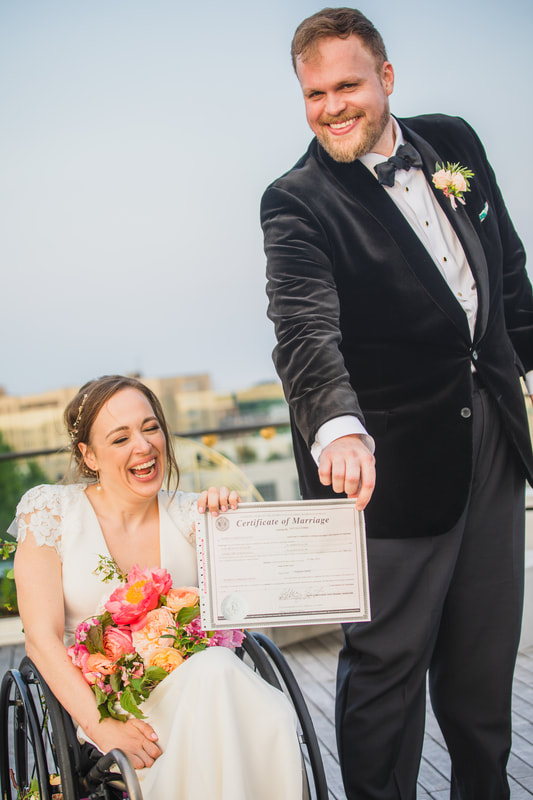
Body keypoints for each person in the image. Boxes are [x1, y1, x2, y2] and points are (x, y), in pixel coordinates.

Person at [261, 7, 533, 799]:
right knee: (386, 670)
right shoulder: (295, 201)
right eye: (314, 94)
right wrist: (339, 429)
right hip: (381, 468)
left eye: (347, 85)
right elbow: (302, 329)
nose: (332, 106)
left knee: (483, 668)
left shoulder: (452, 141)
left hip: (489, 440)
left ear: (385, 78)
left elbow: (505, 274)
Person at [11, 375, 303, 800]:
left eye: (151, 427)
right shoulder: (51, 512)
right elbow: (40, 640)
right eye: (120, 437)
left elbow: (256, 590)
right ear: (88, 455)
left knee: (231, 681)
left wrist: (227, 521)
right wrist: (100, 724)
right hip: (108, 703)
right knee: (225, 679)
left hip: (208, 688)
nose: (144, 446)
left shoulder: (191, 513)